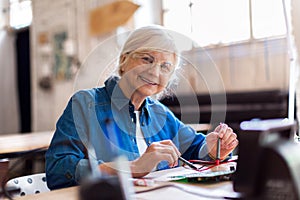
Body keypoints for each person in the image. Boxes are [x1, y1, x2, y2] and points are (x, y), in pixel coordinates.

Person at [45, 25, 239, 190]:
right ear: (124, 60)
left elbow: (196, 148)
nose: (155, 72)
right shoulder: (85, 103)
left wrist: (215, 149)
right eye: (147, 59)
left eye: (165, 67)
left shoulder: (160, 113)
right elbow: (58, 169)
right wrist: (131, 167)